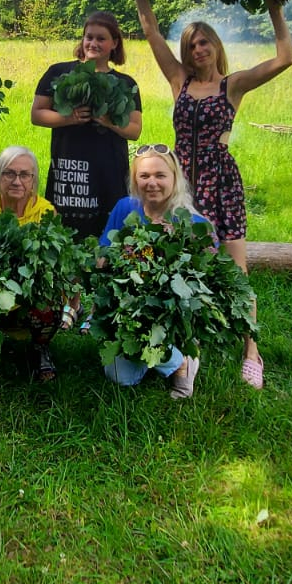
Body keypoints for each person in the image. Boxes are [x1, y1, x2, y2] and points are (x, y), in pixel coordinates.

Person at [130, 0, 292, 389]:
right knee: (179, 265)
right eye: (191, 45)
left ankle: (252, 352)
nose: (197, 50)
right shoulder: (177, 80)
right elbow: (149, 29)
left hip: (221, 184)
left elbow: (285, 58)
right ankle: (186, 348)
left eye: (204, 43)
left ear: (216, 46)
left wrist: (275, 8)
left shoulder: (232, 85)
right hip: (181, 186)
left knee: (236, 269)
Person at [98, 146, 214, 398]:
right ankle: (162, 357)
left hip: (174, 313)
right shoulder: (124, 208)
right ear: (135, 180)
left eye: (160, 176)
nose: (152, 183)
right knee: (120, 376)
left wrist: (174, 245)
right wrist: (118, 255)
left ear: (175, 178)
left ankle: (181, 360)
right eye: (144, 176)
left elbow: (208, 278)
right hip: (130, 307)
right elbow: (102, 254)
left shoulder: (193, 224)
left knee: (156, 331)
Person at [31, 11, 142, 238]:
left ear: (114, 43)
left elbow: (135, 130)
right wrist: (68, 118)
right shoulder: (59, 72)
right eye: (89, 37)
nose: (93, 43)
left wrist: (109, 122)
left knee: (110, 232)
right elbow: (37, 115)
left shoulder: (125, 83)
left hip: (109, 170)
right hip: (71, 170)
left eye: (101, 38)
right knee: (65, 232)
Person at [0, 146, 61, 381]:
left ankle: (39, 348)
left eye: (25, 175)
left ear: (33, 180)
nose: (17, 181)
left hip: (29, 291)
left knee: (51, 298)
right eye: (9, 173)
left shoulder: (46, 212)